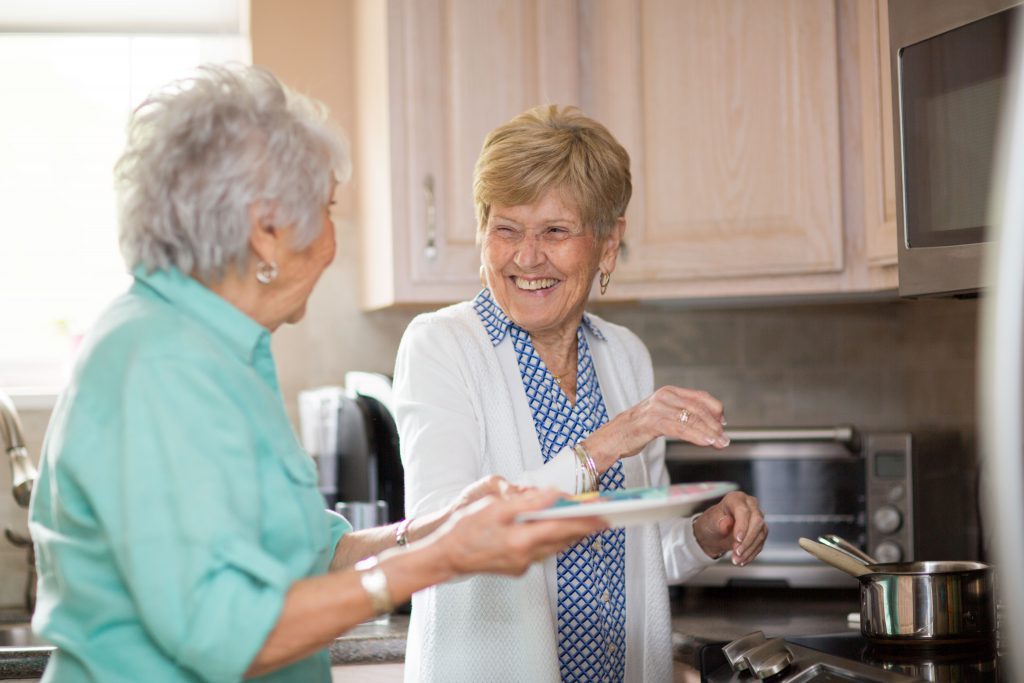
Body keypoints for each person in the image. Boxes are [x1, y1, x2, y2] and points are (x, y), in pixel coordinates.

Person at [27, 66, 605, 683]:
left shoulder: (217, 351)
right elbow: (228, 632)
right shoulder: (158, 362)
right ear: (267, 232)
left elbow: (312, 555)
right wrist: (440, 558)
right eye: (328, 210)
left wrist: (436, 525)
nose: (333, 242)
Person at [393, 104, 769, 682]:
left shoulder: (623, 355)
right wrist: (609, 443)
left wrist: (705, 535)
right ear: (481, 233)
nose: (527, 256)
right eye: (506, 228)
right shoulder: (441, 346)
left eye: (555, 231)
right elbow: (445, 538)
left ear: (608, 242)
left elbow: (645, 556)